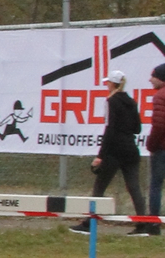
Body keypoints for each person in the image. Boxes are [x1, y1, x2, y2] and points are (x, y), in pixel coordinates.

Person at [71, 75, 148, 235]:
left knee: (99, 187)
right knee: (134, 187)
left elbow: (110, 128)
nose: (107, 85)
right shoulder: (131, 102)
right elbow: (137, 128)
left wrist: (101, 155)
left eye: (108, 83)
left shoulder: (111, 101)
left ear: (112, 84)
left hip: (114, 150)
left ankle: (89, 224)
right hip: (131, 148)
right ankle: (142, 224)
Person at [147, 62, 165, 239]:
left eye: (153, 76)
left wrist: (151, 145)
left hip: (162, 149)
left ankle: (153, 223)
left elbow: (159, 125)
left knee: (156, 185)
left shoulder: (160, 96)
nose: (150, 79)